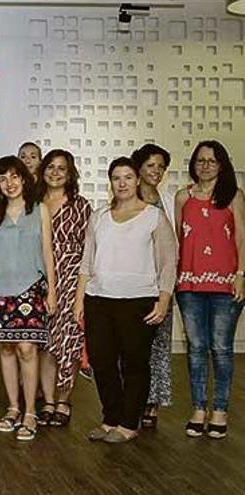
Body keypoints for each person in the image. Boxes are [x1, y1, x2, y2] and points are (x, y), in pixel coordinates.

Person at [75, 157, 176, 443]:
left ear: (137, 181)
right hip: (99, 299)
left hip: (139, 300)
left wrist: (164, 300)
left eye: (128, 177)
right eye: (117, 177)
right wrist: (79, 298)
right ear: (111, 182)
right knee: (102, 361)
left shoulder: (153, 217)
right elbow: (87, 261)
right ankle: (110, 419)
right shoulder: (99, 216)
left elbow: (169, 262)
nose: (122, 183)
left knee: (134, 364)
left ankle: (129, 423)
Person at [0, 156, 57, 442]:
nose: (9, 183)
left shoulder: (40, 210)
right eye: (2, 178)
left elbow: (48, 252)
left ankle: (31, 411)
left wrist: (53, 290)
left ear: (24, 178)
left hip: (30, 288)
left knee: (27, 348)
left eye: (14, 176)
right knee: (7, 349)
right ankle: (13, 407)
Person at [175, 141, 245, 439]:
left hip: (225, 283)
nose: (205, 165)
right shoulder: (183, 196)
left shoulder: (234, 196)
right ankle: (199, 407)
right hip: (189, 283)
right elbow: (179, 239)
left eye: (212, 161)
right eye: (201, 160)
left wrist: (241, 275)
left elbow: (242, 237)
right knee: (197, 349)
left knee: (222, 349)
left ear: (222, 165)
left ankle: (220, 409)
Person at [35, 150, 92, 428]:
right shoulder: (32, 203)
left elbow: (90, 250)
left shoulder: (81, 205)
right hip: (37, 279)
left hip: (71, 278)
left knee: (67, 341)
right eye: (51, 167)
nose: (55, 173)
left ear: (70, 174)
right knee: (44, 341)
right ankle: (47, 400)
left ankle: (63, 399)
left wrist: (82, 289)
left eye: (62, 169)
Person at [133, 143, 175, 428]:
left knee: (159, 347)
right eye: (151, 165)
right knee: (132, 347)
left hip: (160, 285)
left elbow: (174, 246)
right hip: (133, 285)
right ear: (138, 168)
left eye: (160, 167)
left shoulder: (169, 201)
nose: (156, 172)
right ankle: (132, 401)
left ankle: (152, 403)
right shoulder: (128, 198)